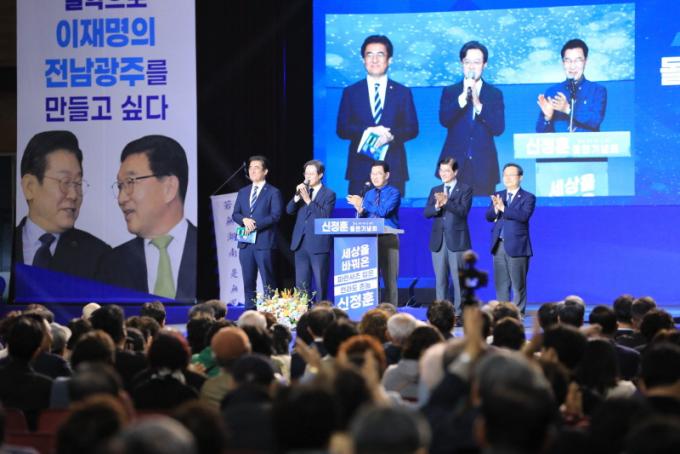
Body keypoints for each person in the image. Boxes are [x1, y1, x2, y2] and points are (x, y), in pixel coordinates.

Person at [97, 135, 196, 302]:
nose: (121, 199)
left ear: (169, 188)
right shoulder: (111, 263)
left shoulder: (214, 252)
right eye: (120, 186)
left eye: (130, 182)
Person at [15, 130, 110, 278]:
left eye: (78, 183)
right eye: (65, 182)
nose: (73, 195)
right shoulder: (6, 245)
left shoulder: (100, 256)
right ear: (30, 187)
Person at [337, 34, 419, 196]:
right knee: (359, 212)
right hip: (360, 169)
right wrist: (368, 131)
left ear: (390, 60)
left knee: (391, 212)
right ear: (363, 60)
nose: (374, 60)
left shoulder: (402, 92)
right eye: (369, 54)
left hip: (393, 169)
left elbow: (412, 129)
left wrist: (391, 136)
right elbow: (342, 129)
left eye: (380, 54)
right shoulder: (351, 92)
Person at [437, 41, 505, 196]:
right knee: (452, 209)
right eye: (467, 62)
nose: (471, 67)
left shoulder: (494, 94)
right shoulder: (450, 91)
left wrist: (477, 103)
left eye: (477, 62)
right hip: (453, 166)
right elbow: (444, 120)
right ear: (462, 63)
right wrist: (462, 98)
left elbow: (498, 128)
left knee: (482, 210)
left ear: (485, 64)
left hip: (484, 167)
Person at [347, 161, 401, 306]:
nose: (375, 177)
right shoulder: (368, 194)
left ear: (387, 175)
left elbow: (383, 211)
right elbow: (363, 218)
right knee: (370, 279)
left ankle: (390, 311)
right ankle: (372, 310)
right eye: (372, 174)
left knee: (390, 280)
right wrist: (359, 211)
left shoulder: (394, 192)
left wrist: (363, 203)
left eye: (378, 173)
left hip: (388, 238)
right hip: (369, 239)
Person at [232, 155, 283, 308]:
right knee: (248, 282)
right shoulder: (243, 192)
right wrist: (244, 220)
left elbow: (275, 216)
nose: (252, 171)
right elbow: (235, 214)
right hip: (246, 243)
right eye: (250, 168)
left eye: (256, 168)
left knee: (268, 282)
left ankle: (270, 313)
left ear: (265, 171)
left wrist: (254, 224)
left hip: (264, 243)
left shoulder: (273, 192)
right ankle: (249, 313)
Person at [424, 157, 473, 316]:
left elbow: (463, 211)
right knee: (440, 280)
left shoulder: (465, 189)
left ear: (455, 172)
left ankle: (459, 314)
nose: (443, 173)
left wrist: (447, 202)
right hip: (438, 240)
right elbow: (427, 212)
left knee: (459, 280)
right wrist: (437, 206)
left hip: (457, 240)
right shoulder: (435, 189)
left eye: (447, 170)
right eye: (441, 170)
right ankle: (441, 313)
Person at [485, 163, 535, 314]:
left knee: (518, 284)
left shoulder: (528, 197)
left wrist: (503, 208)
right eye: (505, 175)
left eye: (511, 175)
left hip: (517, 246)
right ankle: (503, 314)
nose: (507, 178)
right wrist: (495, 208)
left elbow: (523, 216)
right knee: (501, 284)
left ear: (520, 177)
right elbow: (489, 216)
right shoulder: (498, 195)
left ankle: (518, 315)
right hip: (498, 245)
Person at [286, 160, 336, 301]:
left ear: (320, 175)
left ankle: (321, 311)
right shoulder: (302, 192)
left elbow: (324, 216)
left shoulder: (329, 194)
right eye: (306, 173)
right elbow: (289, 210)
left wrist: (308, 200)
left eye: (312, 173)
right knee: (301, 284)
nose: (308, 177)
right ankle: (304, 311)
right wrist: (297, 196)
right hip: (300, 243)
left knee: (320, 284)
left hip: (318, 244)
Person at [536, 38, 607, 132]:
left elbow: (595, 121)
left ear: (585, 61)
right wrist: (547, 118)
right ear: (563, 63)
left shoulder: (597, 90)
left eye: (578, 60)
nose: (572, 66)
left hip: (586, 141)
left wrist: (568, 110)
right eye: (568, 60)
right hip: (560, 142)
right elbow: (540, 133)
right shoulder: (552, 92)